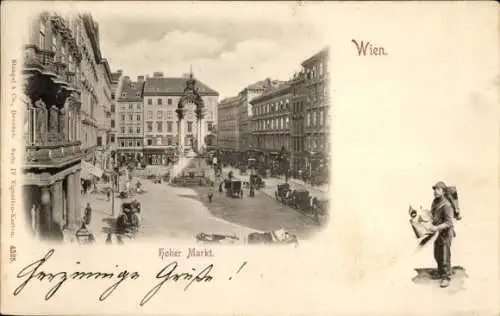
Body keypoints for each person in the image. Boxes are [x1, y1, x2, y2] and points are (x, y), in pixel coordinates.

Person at [427, 181, 455, 288]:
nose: (434, 191)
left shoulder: (447, 205)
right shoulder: (435, 202)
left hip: (447, 233)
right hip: (439, 231)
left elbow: (449, 223)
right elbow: (434, 216)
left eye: (437, 189)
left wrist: (436, 228)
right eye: (434, 189)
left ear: (443, 191)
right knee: (437, 251)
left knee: (445, 254)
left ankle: (446, 277)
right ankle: (440, 272)